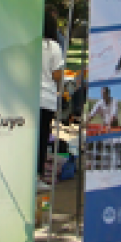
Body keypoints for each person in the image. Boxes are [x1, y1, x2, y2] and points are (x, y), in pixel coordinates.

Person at [39, 12, 66, 191]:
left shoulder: (30, 44)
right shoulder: (53, 47)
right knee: (42, 139)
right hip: (46, 97)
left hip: (28, 98)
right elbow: (57, 74)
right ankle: (37, 176)